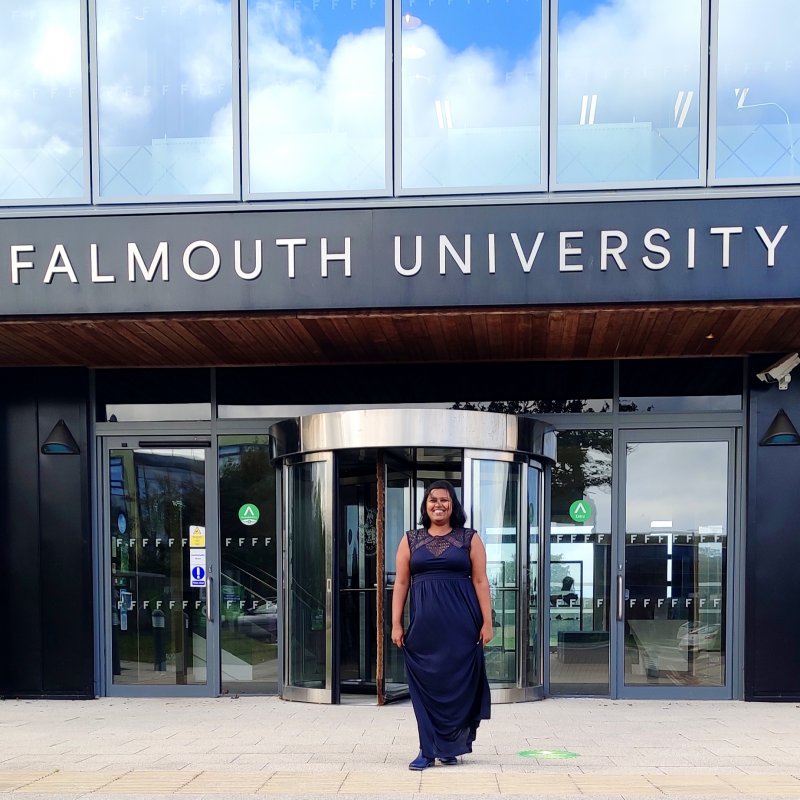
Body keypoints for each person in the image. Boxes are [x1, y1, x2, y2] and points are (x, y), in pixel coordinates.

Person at [391, 480, 493, 770]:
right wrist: (396, 623)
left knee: (458, 686)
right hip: (424, 628)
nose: (438, 505)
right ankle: (428, 748)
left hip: (462, 625)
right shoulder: (410, 539)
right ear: (425, 506)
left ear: (453, 505)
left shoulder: (468, 538)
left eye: (445, 500)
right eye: (433, 500)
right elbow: (400, 583)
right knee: (425, 687)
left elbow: (480, 580)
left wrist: (488, 621)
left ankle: (449, 747)